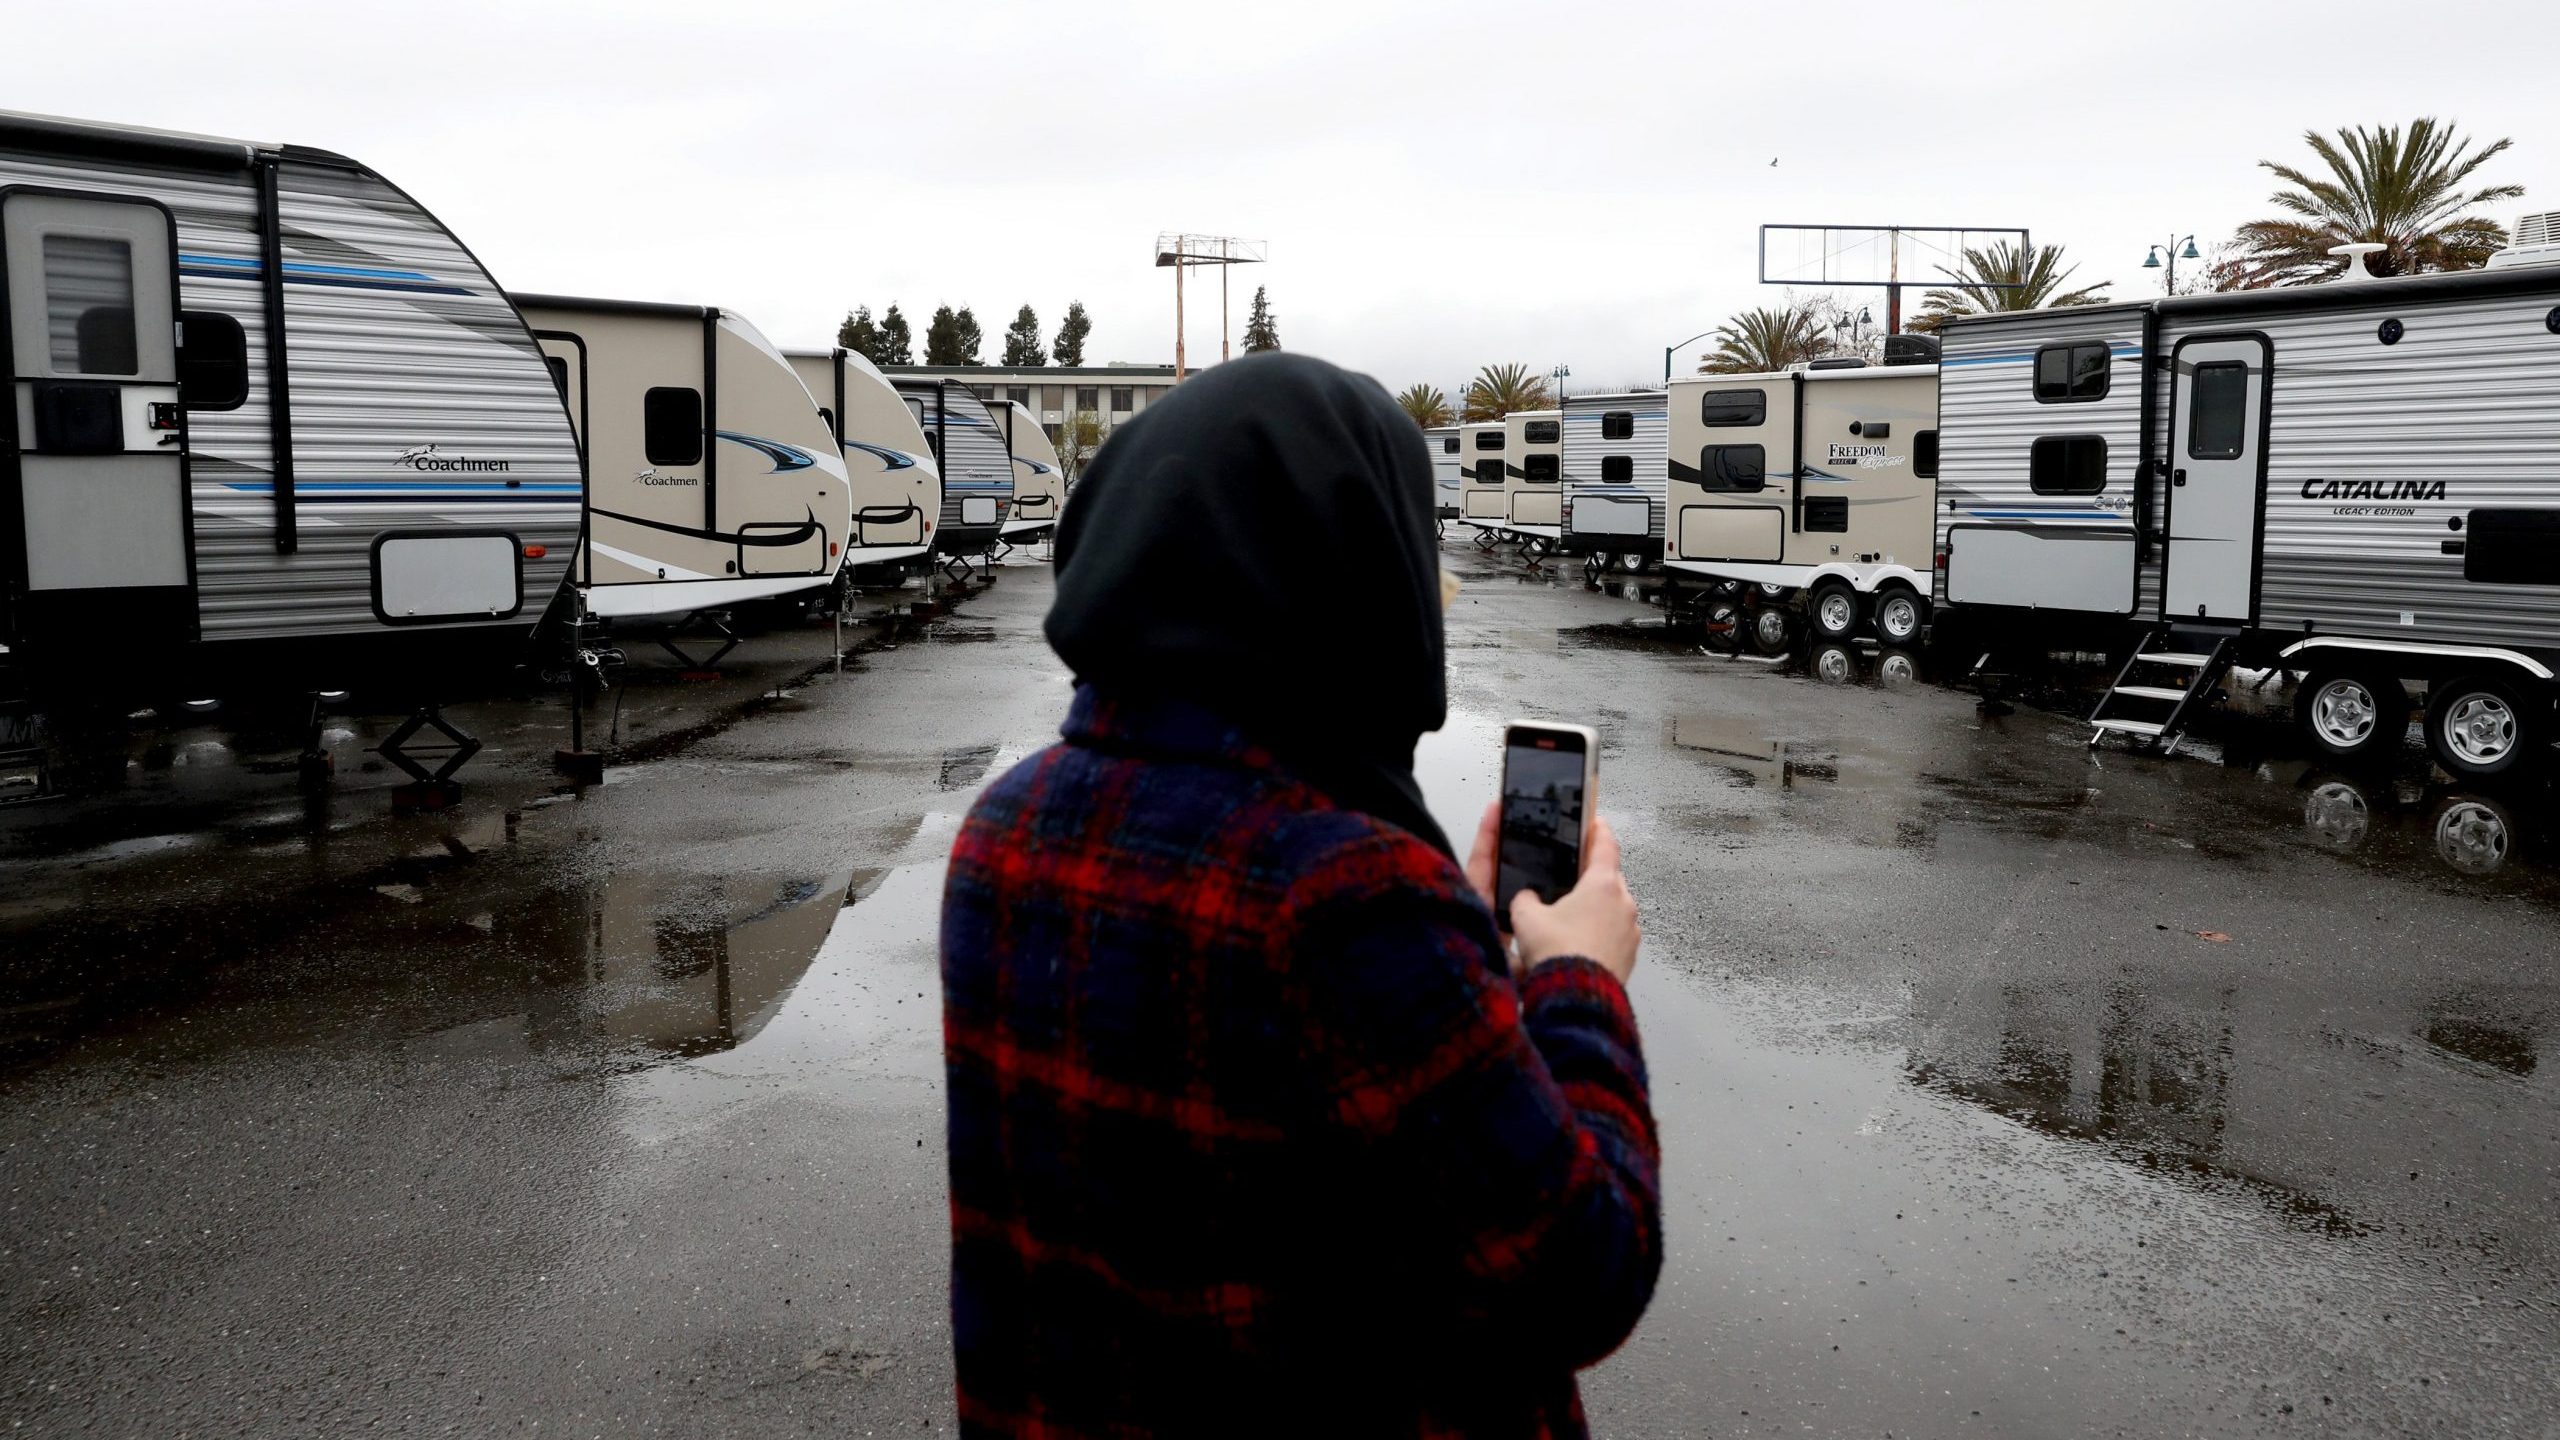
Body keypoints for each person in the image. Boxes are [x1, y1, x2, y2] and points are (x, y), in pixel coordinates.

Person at [939, 353, 1657, 1438]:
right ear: (1356, 582)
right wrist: (1578, 978)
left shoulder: (1005, 824)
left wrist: (1451, 934)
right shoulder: (1343, 893)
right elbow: (1579, 1273)